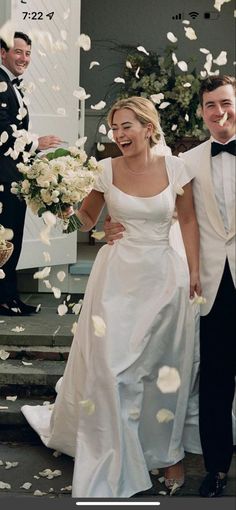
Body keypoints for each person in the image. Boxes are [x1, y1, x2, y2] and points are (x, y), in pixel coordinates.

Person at [22, 96, 201, 497]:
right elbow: (87, 220)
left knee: (159, 371)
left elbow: (187, 219)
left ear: (148, 128)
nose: (118, 135)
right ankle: (113, 455)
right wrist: (69, 210)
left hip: (162, 280)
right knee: (111, 369)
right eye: (114, 128)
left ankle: (166, 453)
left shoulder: (176, 168)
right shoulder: (104, 171)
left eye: (126, 127)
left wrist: (193, 271)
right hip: (116, 281)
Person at [104, 76, 236, 498]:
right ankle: (216, 470)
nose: (220, 113)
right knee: (215, 379)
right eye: (211, 106)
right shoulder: (189, 161)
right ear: (201, 111)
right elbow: (184, 218)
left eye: (227, 103)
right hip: (215, 283)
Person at [0, 31, 62, 316]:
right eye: (18, 52)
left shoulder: (12, 85)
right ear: (3, 53)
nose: (24, 58)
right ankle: (4, 299)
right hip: (2, 178)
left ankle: (9, 296)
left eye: (27, 53)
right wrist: (37, 143)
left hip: (12, 175)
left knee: (11, 238)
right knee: (6, 238)